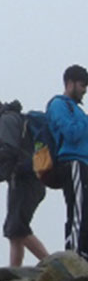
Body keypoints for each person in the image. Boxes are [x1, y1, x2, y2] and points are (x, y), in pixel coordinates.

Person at [0, 97, 48, 266]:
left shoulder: (5, 120)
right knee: (14, 230)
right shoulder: (10, 119)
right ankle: (15, 273)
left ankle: (54, 265)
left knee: (17, 227)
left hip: (26, 180)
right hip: (23, 179)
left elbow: (8, 152)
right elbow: (8, 166)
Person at [46, 64, 88, 260]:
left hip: (82, 163)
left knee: (83, 207)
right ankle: (74, 254)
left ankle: (82, 252)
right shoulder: (59, 104)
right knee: (78, 208)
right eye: (82, 85)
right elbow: (71, 133)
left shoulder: (76, 110)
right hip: (72, 162)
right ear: (70, 83)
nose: (84, 90)